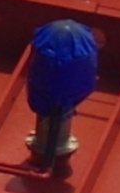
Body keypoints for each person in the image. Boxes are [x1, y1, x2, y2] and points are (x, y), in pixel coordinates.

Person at [23, 16, 100, 181]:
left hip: (49, 99)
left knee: (53, 105)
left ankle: (44, 151)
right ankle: (54, 153)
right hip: (62, 100)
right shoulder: (82, 49)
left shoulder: (45, 50)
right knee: (57, 106)